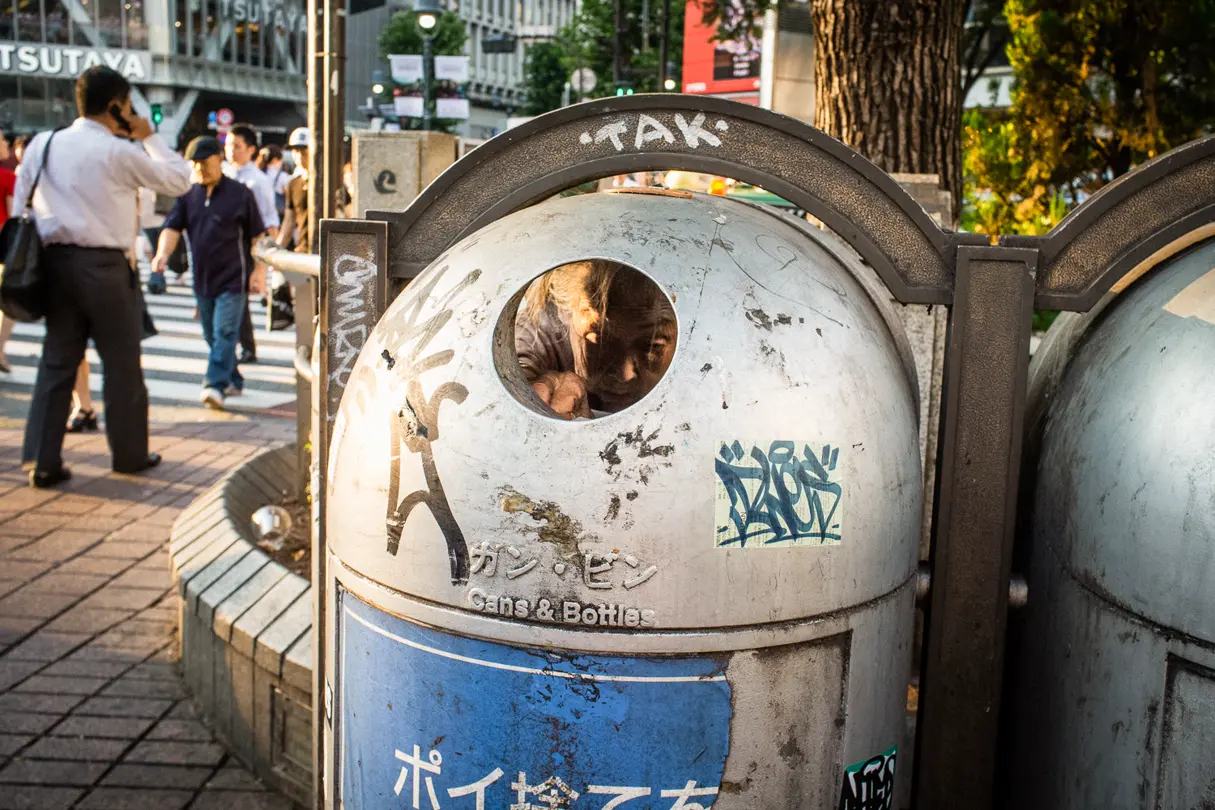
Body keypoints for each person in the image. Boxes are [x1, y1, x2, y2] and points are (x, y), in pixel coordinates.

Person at [16, 66, 191, 487]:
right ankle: (129, 455)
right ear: (116, 105)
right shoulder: (117, 151)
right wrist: (149, 136)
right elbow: (179, 179)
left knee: (57, 362)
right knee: (122, 363)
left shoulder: (44, 143)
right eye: (127, 106)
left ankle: (42, 460)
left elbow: (21, 202)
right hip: (107, 267)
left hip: (55, 264)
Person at [153, 136, 267, 411]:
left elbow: (258, 236)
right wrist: (161, 255)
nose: (200, 168)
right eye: (195, 164)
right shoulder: (188, 195)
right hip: (203, 279)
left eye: (205, 162)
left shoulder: (240, 194)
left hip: (234, 278)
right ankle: (233, 378)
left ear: (219, 159)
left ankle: (214, 385)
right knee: (212, 336)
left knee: (225, 332)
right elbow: (172, 228)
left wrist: (259, 272)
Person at [515, 260, 677, 419]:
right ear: (573, 310)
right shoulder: (541, 328)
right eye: (602, 342)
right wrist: (543, 386)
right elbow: (516, 373)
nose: (625, 376)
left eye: (651, 346)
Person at [223, 124, 278, 365]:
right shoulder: (223, 175)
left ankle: (245, 346)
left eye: (237, 146)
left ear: (251, 149)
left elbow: (269, 221)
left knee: (238, 297)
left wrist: (264, 264)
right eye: (228, 145)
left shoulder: (258, 181)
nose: (231, 151)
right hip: (223, 245)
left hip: (246, 246)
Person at [278, 127, 310, 253]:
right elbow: (289, 221)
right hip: (303, 249)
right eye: (296, 151)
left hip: (329, 251)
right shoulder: (293, 183)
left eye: (304, 150)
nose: (300, 156)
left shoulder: (330, 181)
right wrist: (278, 248)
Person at [0, 130, 16, 374]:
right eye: (2, 139)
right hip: (3, 244)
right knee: (9, 300)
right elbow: (14, 217)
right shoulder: (7, 178)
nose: (6, 143)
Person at [256, 143, 290, 223]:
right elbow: (290, 198)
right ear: (275, 160)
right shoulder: (282, 176)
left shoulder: (257, 174)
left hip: (259, 217)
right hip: (278, 218)